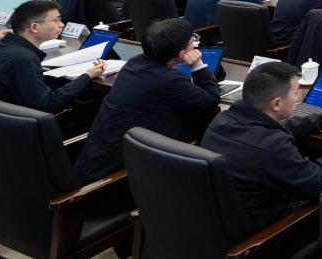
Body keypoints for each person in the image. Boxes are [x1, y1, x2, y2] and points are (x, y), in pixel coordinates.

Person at [199, 61, 322, 234]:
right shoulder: (272, 145)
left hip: (220, 222)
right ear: (277, 103)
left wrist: (320, 120)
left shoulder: (223, 119)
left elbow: (267, 128)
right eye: (295, 92)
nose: (297, 97)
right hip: (267, 233)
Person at [74, 18, 220, 182]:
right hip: (115, 180)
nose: (194, 44)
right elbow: (211, 97)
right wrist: (198, 65)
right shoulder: (170, 81)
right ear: (182, 54)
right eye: (192, 41)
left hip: (95, 163)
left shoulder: (134, 63)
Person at [0, 0, 104, 137]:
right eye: (56, 20)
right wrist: (86, 76)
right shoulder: (23, 58)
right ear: (34, 27)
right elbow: (47, 105)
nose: (62, 25)